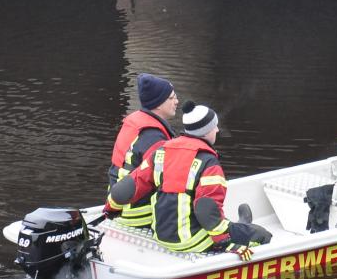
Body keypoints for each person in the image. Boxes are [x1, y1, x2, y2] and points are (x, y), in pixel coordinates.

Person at [105, 101, 271, 260]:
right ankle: (243, 228)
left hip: (161, 235)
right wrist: (224, 242)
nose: (217, 130)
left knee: (220, 221)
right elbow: (205, 211)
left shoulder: (162, 151)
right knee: (263, 235)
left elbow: (126, 188)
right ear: (206, 131)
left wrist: (111, 208)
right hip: (192, 240)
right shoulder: (209, 163)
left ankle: (240, 225)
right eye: (214, 127)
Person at [106, 73, 178, 227]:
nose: (177, 101)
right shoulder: (154, 138)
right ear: (159, 104)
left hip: (118, 208)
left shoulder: (135, 123)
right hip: (141, 216)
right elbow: (164, 180)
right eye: (172, 98)